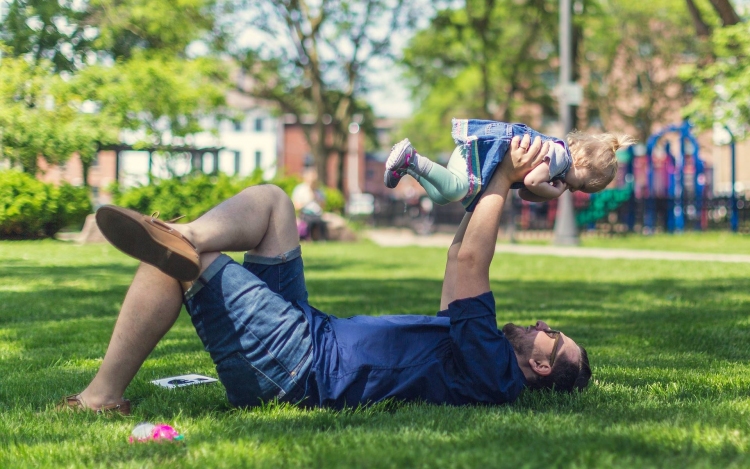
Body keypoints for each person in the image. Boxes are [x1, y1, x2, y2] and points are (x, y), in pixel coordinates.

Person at [59, 134, 591, 415]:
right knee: (273, 204)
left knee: (183, 266)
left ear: (543, 365)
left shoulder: (493, 372)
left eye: (552, 334)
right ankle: (188, 235)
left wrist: (503, 175)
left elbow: (475, 262)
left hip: (297, 369)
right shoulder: (475, 351)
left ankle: (102, 396)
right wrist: (506, 184)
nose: (542, 324)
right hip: (308, 333)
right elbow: (459, 257)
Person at [385, 118, 636, 210]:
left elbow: (527, 192)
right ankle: (412, 157)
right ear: (580, 159)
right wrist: (555, 191)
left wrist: (547, 193)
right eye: (579, 184)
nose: (571, 188)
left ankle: (408, 167)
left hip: (474, 156)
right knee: (455, 190)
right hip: (481, 153)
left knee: (441, 197)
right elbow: (531, 181)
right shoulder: (560, 157)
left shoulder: (554, 168)